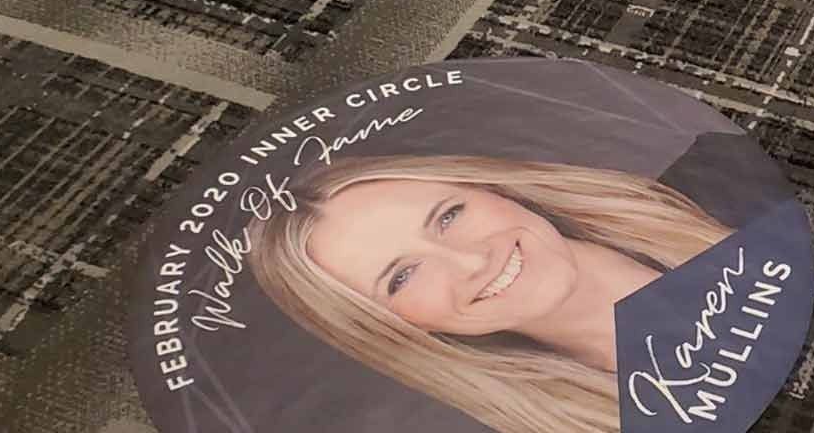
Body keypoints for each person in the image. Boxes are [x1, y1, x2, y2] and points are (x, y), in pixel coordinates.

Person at [246, 154, 733, 433]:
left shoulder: (730, 184)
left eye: (449, 216)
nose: (472, 260)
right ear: (392, 327)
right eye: (401, 277)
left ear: (493, 188)